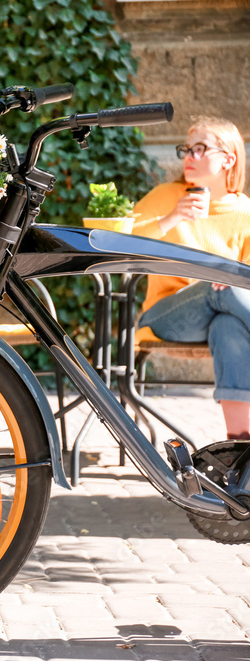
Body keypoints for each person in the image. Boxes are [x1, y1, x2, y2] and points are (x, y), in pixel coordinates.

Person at [131, 116, 250, 440]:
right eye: (187, 149)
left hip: (226, 313)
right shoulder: (168, 196)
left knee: (229, 325)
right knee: (223, 286)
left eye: (200, 149)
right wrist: (171, 219)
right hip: (164, 317)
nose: (189, 156)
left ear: (229, 159)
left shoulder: (246, 214)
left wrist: (232, 282)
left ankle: (240, 452)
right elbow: (117, 239)